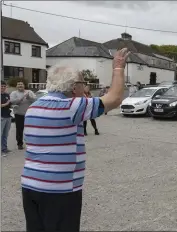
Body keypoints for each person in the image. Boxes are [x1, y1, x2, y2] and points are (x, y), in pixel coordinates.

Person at [21, 48, 129, 232]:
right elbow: (115, 98)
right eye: (82, 82)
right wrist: (118, 68)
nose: (84, 86)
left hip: (30, 185)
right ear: (73, 87)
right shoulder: (71, 106)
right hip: (59, 190)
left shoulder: (34, 106)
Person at [10, 81, 36, 150]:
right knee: (19, 130)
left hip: (29, 114)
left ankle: (31, 143)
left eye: (21, 84)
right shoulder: (14, 93)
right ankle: (20, 144)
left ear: (24, 85)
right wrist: (22, 97)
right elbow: (13, 101)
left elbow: (35, 100)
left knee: (31, 129)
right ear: (16, 86)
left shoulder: (29, 92)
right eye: (18, 84)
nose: (20, 85)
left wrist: (29, 97)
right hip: (19, 114)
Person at [1, 81, 12, 155]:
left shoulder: (7, 95)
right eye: (1, 86)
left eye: (4, 86)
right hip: (1, 117)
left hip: (8, 116)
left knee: (5, 134)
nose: (3, 87)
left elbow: (9, 104)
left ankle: (4, 149)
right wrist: (7, 103)